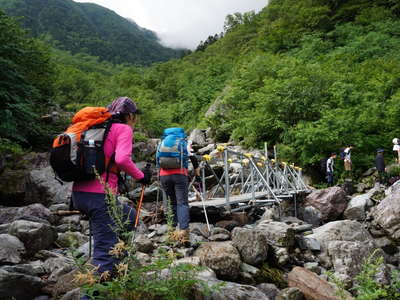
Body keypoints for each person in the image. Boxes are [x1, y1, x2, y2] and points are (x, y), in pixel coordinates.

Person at [72, 97, 152, 277]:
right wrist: (141, 177)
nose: (135, 120)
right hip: (100, 197)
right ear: (130, 115)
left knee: (131, 217)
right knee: (104, 253)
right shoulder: (123, 129)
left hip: (79, 195)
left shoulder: (94, 129)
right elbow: (122, 159)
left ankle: (118, 259)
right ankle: (95, 291)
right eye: (135, 116)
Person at [159, 137, 200, 243]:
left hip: (164, 176)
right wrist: (197, 175)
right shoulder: (183, 144)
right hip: (180, 175)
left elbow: (157, 160)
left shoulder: (163, 143)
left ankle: (171, 230)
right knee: (182, 203)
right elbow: (194, 160)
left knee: (172, 203)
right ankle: (183, 232)